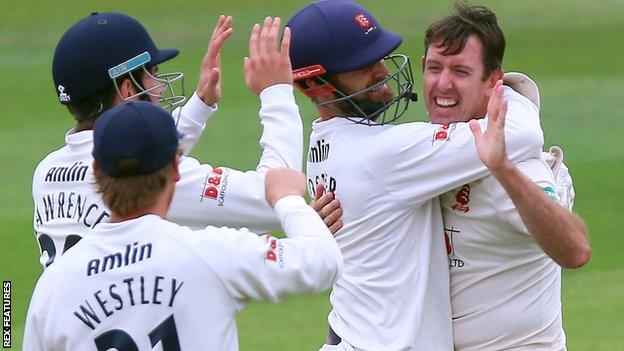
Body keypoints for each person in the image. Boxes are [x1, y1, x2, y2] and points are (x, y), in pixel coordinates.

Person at [286, 1, 545, 350]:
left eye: (378, 55)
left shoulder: (324, 141)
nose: (381, 71)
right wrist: (506, 88)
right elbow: (518, 135)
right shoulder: (385, 154)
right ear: (316, 87)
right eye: (361, 66)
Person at [22, 99, 343, 350]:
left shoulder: (54, 285)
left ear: (96, 170)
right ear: (175, 168)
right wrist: (287, 199)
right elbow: (322, 262)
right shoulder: (209, 253)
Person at [32, 13, 338, 269]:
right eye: (152, 74)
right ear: (127, 90)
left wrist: (200, 105)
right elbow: (272, 197)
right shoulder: (167, 181)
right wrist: (276, 93)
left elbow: (144, 149)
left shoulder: (45, 173)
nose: (160, 87)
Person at [422, 4, 590, 350]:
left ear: (493, 82)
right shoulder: (432, 150)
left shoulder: (519, 163)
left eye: (461, 71)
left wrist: (503, 168)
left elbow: (576, 249)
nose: (443, 83)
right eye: (434, 68)